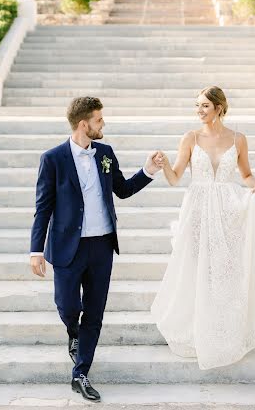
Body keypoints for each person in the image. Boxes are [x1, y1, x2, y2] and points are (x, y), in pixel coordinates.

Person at [30, 96, 161, 402]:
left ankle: (81, 373)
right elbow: (43, 208)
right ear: (83, 124)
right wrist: (36, 250)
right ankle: (72, 332)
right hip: (67, 247)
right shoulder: (53, 159)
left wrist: (148, 170)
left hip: (102, 244)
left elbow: (123, 190)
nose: (104, 124)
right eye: (100, 120)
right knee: (67, 307)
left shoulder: (105, 153)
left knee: (95, 312)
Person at [151, 85, 255, 370]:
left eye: (204, 106)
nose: (199, 111)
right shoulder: (190, 138)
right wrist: (162, 164)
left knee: (225, 271)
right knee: (196, 267)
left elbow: (246, 175)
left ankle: (224, 330)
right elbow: (176, 178)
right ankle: (196, 329)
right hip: (198, 209)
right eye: (197, 106)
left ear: (219, 109)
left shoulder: (238, 139)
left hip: (228, 210)